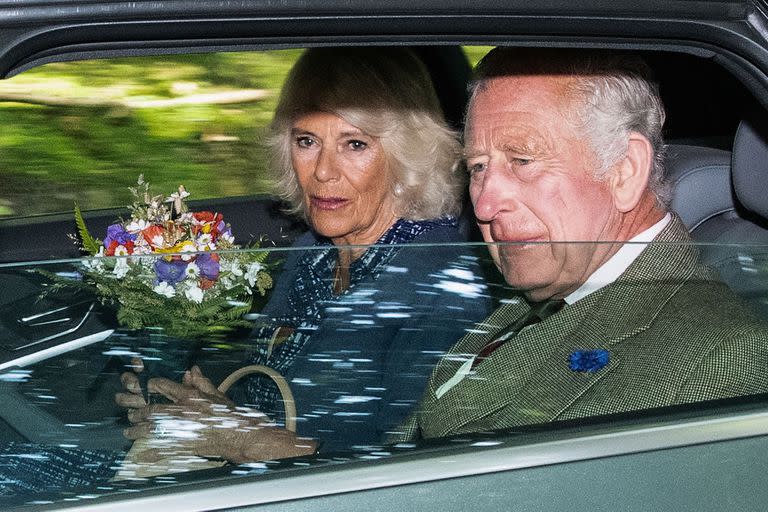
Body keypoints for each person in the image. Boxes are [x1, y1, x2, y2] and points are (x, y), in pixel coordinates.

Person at [115, 47, 491, 463]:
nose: (324, 171)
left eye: (355, 144)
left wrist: (241, 440)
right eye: (307, 141)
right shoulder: (312, 252)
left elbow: (414, 470)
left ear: (407, 155)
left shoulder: (440, 286)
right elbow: (278, 396)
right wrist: (197, 405)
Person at [390, 47, 768, 443]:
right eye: (478, 167)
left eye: (522, 161)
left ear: (624, 171)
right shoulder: (547, 292)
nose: (484, 204)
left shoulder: (720, 361)